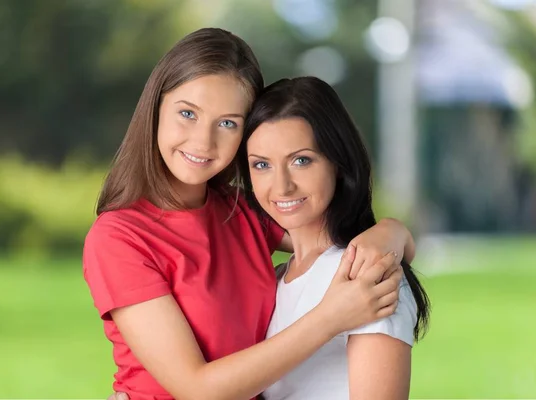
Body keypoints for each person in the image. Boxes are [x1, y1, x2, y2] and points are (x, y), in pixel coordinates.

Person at [84, 28, 415, 400]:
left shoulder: (242, 212)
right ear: (155, 108)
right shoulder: (120, 237)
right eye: (188, 113)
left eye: (227, 123)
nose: (203, 141)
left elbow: (326, 237)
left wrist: (390, 232)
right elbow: (196, 388)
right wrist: (331, 317)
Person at [240, 76, 431, 400]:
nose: (282, 186)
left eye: (301, 160)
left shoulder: (366, 273)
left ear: (338, 163)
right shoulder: (273, 282)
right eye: (262, 165)